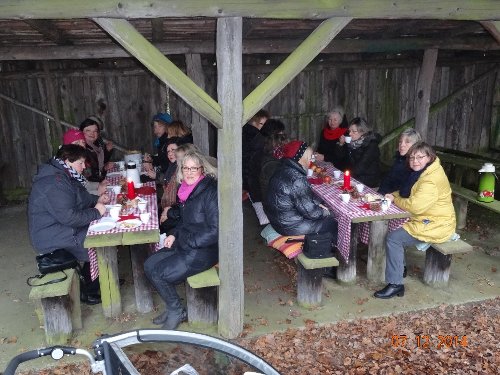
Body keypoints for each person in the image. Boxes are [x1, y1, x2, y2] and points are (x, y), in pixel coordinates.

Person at [144, 150, 218, 330]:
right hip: (185, 243)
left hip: (202, 250)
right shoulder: (186, 191)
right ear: (181, 170)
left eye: (194, 168)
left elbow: (216, 230)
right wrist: (174, 235)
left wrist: (190, 241)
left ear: (202, 170)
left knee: (161, 273)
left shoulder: (210, 193)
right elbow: (185, 222)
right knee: (149, 264)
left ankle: (176, 311)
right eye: (186, 168)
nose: (190, 172)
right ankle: (174, 308)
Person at [28, 144, 109, 304]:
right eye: (81, 163)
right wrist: (96, 212)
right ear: (67, 161)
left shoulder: (65, 175)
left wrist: (96, 200)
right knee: (99, 242)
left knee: (104, 232)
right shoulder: (54, 182)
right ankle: (89, 290)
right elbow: (69, 217)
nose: (84, 167)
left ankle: (103, 277)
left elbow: (80, 199)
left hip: (61, 228)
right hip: (52, 237)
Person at [374, 142, 456, 299]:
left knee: (394, 238)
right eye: (412, 158)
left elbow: (414, 207)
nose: (415, 161)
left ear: (430, 157)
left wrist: (394, 199)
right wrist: (394, 195)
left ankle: (396, 284)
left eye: (420, 157)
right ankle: (400, 268)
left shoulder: (430, 179)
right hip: (427, 218)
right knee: (394, 227)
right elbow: (408, 194)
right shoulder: (423, 173)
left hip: (437, 223)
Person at [264, 140, 338, 251]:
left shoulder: (282, 169)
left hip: (277, 220)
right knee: (333, 221)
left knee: (326, 213)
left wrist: (319, 203)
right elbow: (311, 213)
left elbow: (302, 199)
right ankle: (333, 254)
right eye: (309, 156)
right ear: (300, 157)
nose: (311, 159)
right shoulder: (297, 178)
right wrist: (326, 212)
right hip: (289, 227)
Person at [247, 119, 286, 203]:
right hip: (260, 199)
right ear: (273, 135)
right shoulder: (263, 153)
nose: (282, 139)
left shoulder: (261, 144)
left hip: (257, 192)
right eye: (281, 135)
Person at [62, 128, 108, 196]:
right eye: (77, 143)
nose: (81, 146)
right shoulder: (65, 166)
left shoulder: (78, 160)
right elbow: (74, 196)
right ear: (67, 146)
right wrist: (97, 192)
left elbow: (85, 184)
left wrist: (100, 184)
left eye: (83, 142)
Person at [378, 128, 422, 195]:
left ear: (416, 145)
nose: (402, 145)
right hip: (388, 196)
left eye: (407, 142)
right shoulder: (399, 159)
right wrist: (380, 194)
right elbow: (388, 180)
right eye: (400, 142)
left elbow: (406, 191)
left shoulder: (416, 164)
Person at [343, 117, 381, 188]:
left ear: (363, 132)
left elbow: (360, 167)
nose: (350, 134)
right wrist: (341, 144)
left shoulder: (371, 145)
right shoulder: (352, 143)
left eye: (354, 131)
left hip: (369, 182)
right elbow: (343, 160)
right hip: (357, 178)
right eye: (349, 131)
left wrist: (346, 177)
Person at [242, 109, 269, 191]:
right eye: (261, 124)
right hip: (251, 179)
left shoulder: (240, 132)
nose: (263, 127)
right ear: (253, 122)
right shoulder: (258, 138)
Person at [79, 117, 114, 182]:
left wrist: (107, 151)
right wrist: (104, 169)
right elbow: (87, 175)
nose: (92, 133)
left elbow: (100, 161)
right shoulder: (81, 148)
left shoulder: (97, 145)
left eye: (95, 131)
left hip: (98, 180)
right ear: (81, 132)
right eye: (88, 130)